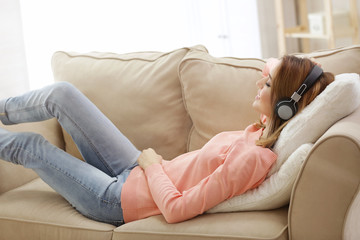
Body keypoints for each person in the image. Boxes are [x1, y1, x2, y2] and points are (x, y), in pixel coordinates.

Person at [0, 55, 334, 226]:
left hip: (116, 199)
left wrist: (154, 166)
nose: (258, 85)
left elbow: (176, 210)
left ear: (285, 105)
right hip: (134, 169)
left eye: (266, 84)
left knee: (30, 146)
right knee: (62, 93)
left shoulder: (255, 159)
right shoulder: (259, 131)